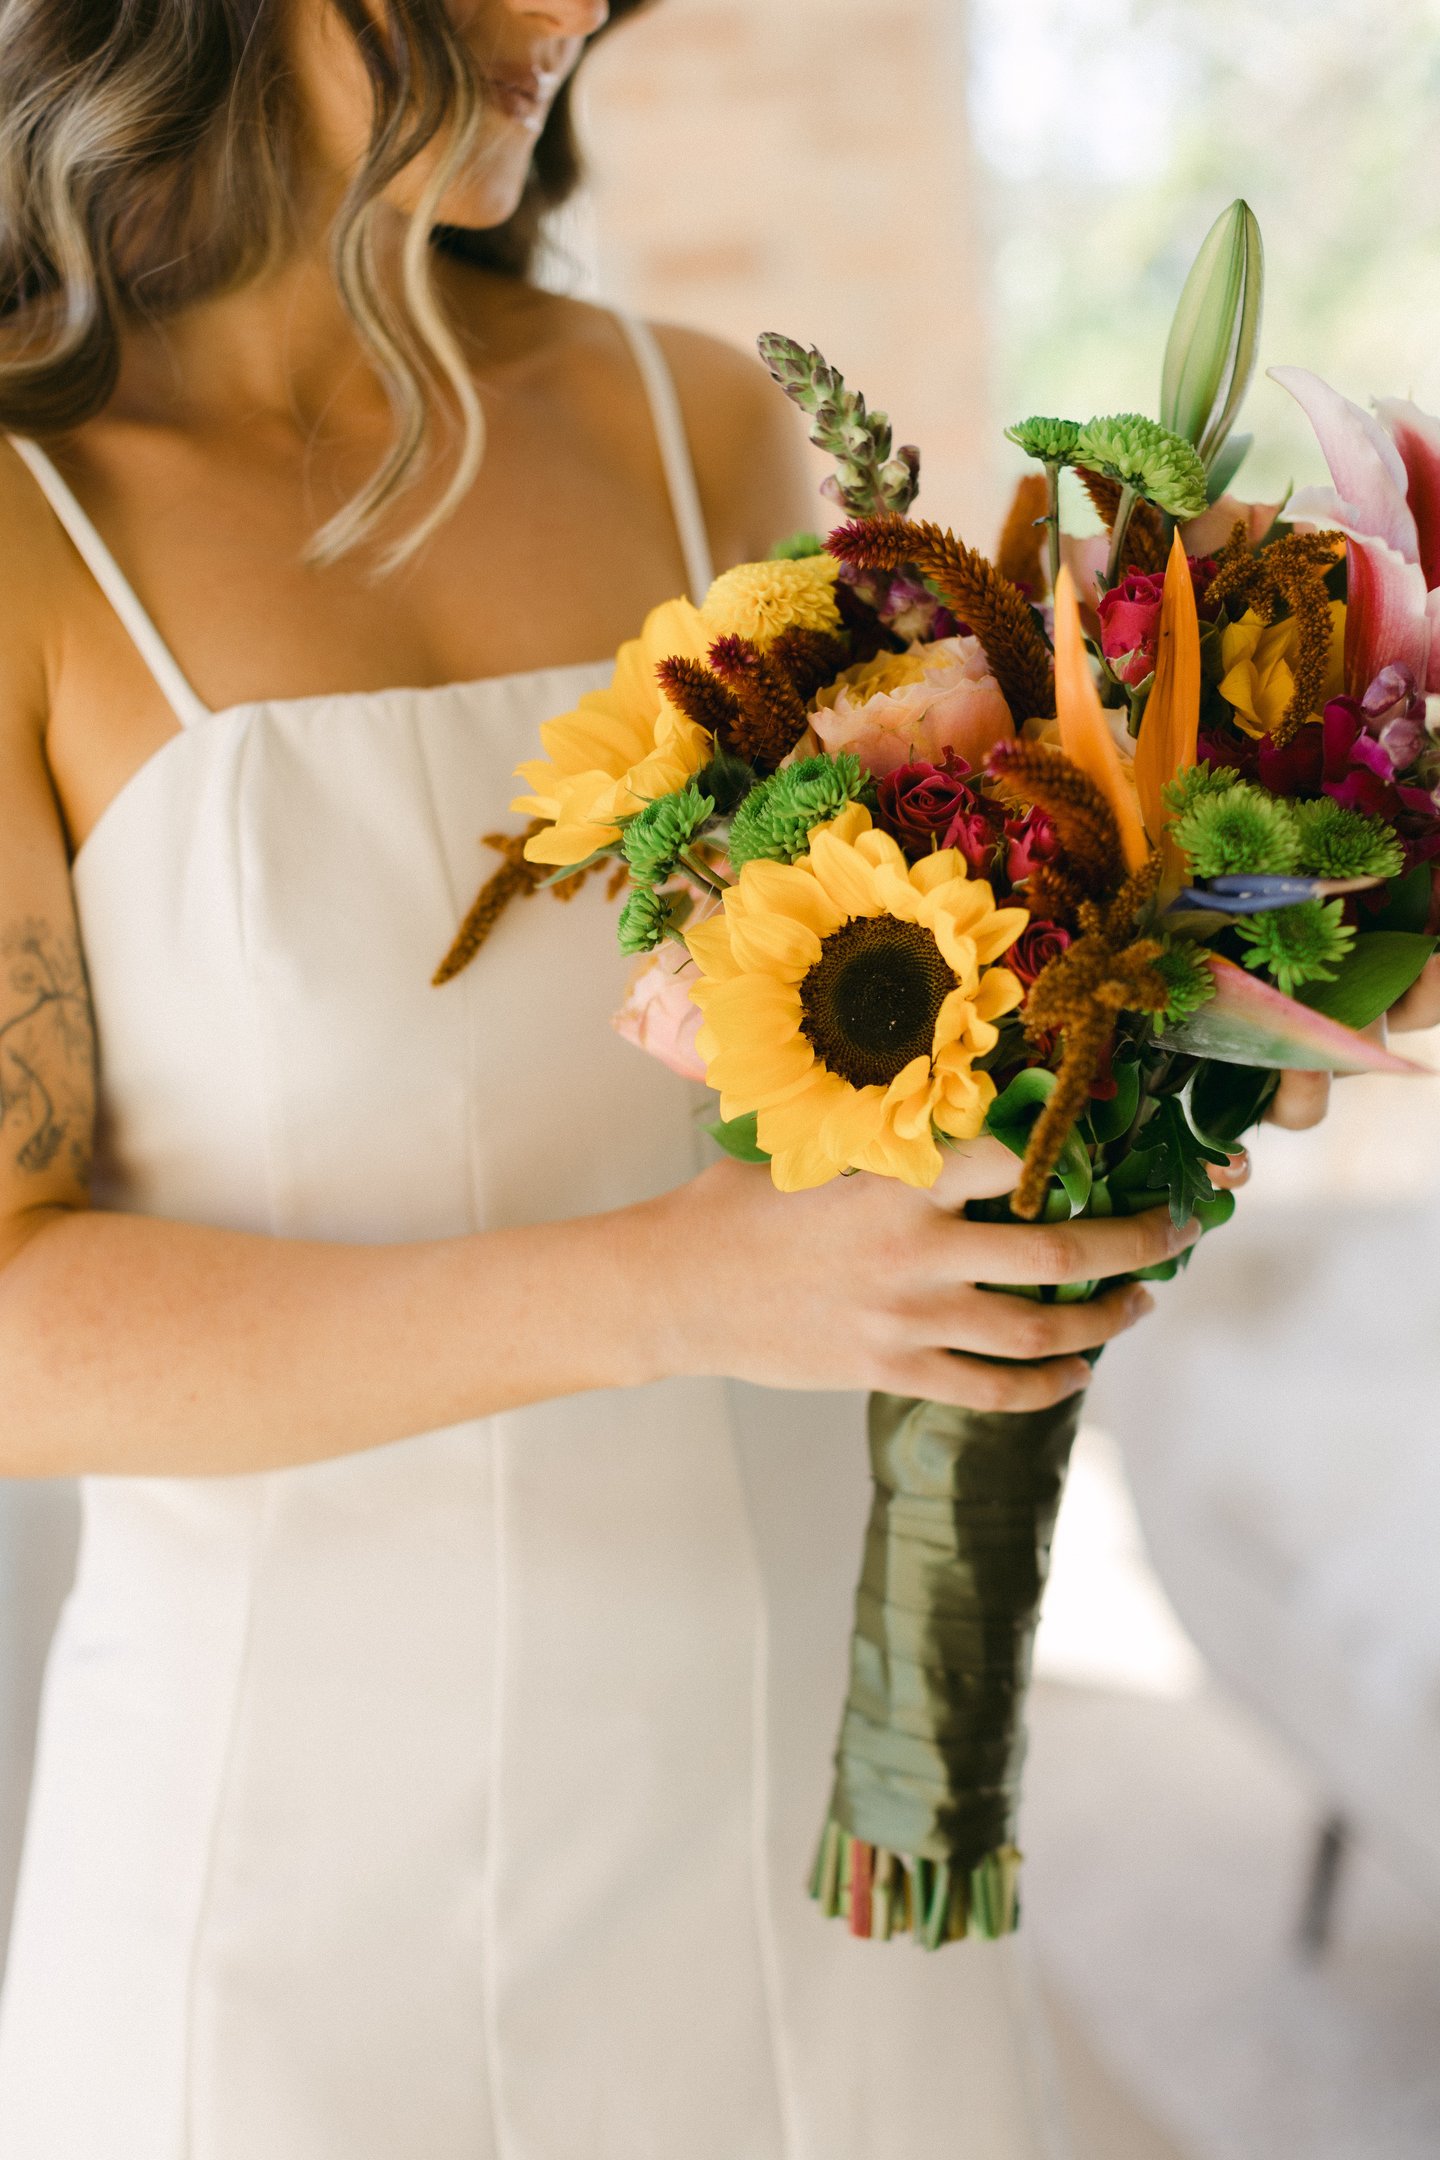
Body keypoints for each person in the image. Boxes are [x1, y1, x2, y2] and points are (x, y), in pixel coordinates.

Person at [0, 3, 1245, 2153]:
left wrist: (1155, 1022)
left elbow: (875, 1029)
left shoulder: (698, 429)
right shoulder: (32, 516)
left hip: (816, 1846)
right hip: (302, 1916)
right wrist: (669, 1288)